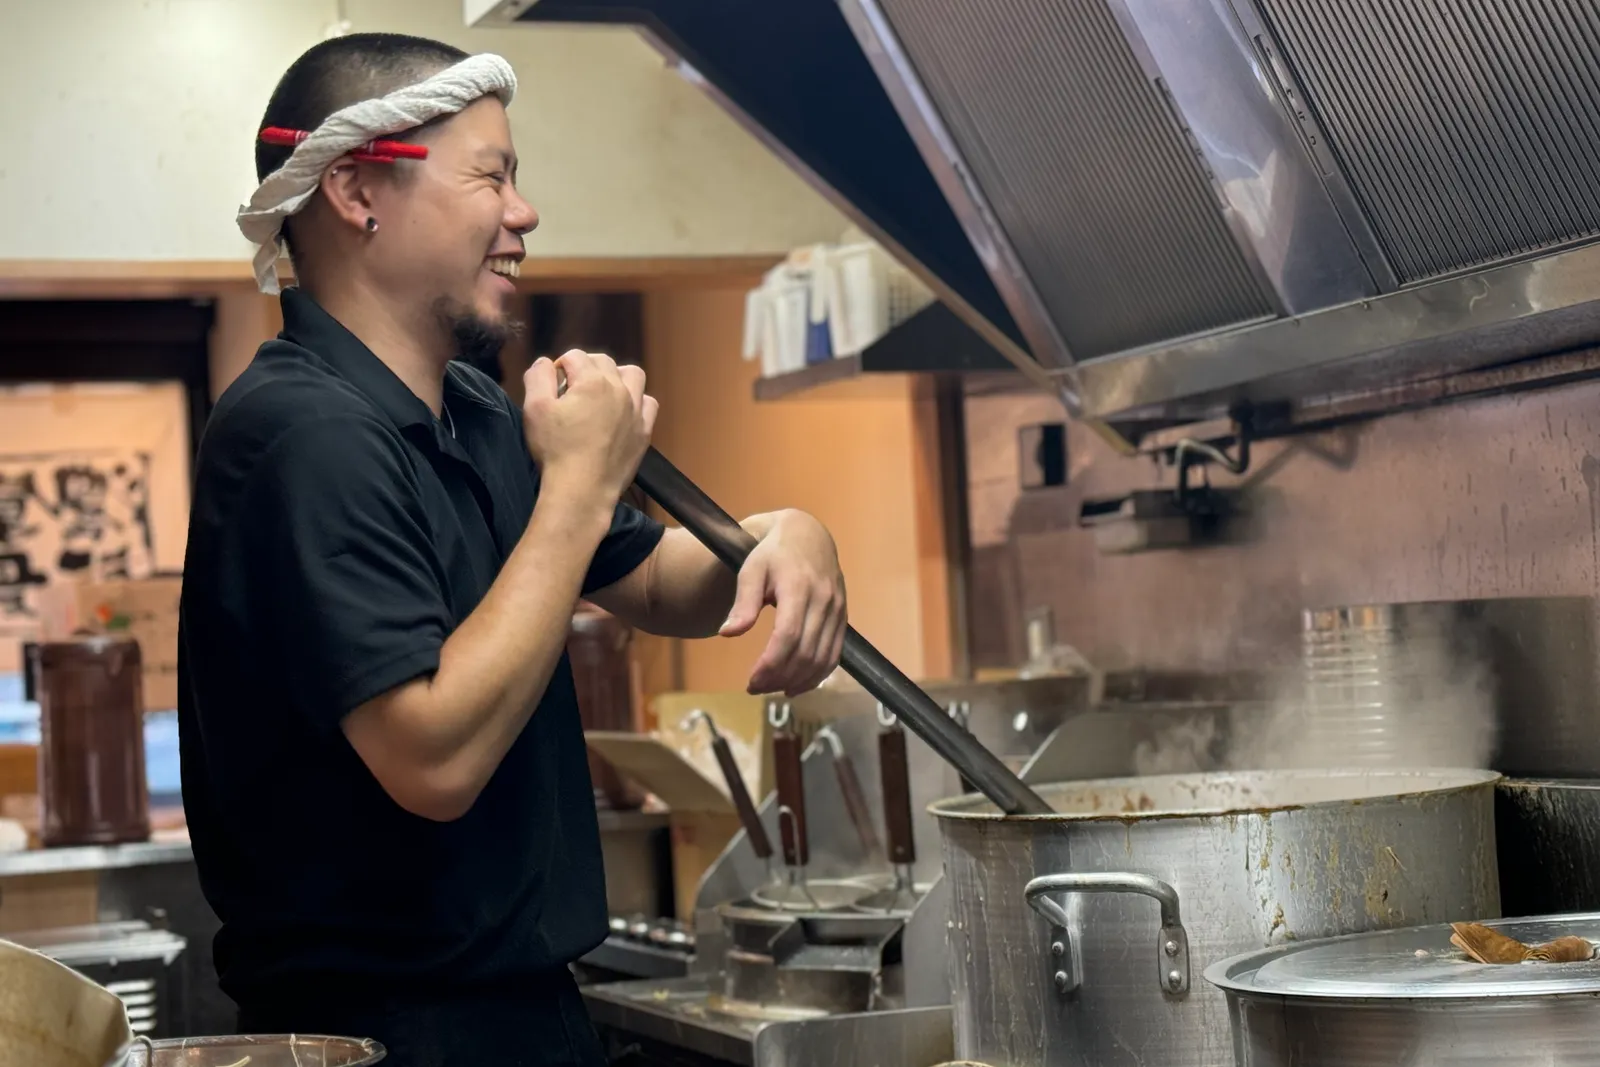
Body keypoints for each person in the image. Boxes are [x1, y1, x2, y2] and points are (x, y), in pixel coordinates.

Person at [178, 32, 848, 1066]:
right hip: (381, 1035)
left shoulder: (477, 411)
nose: (523, 212)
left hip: (522, 1010)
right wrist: (578, 485)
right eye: (490, 175)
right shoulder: (298, 436)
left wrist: (783, 535)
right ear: (358, 192)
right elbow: (430, 755)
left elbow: (662, 580)